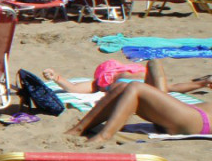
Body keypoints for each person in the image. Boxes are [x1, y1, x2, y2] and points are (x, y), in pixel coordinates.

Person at [60, 60, 211, 141]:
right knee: (125, 86)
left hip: (196, 120)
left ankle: (104, 136)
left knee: (136, 86)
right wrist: (201, 83)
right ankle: (79, 129)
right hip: (189, 116)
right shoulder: (108, 81)